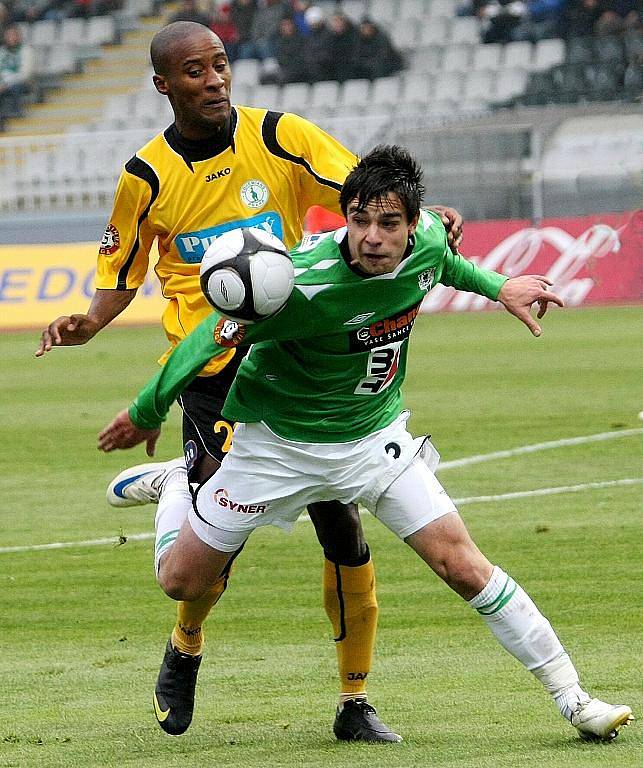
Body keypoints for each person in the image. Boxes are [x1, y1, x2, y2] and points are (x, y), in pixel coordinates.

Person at [97, 144, 634, 744]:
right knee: (181, 582)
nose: (372, 237)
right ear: (345, 216)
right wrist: (144, 413)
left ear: (412, 223)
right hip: (276, 448)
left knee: (463, 565)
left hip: (375, 441)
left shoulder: (428, 240)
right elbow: (204, 342)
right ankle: (177, 484)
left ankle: (574, 697)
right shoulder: (293, 284)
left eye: (389, 224)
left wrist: (498, 284)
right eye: (358, 220)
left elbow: (443, 266)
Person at [35, 22, 463, 743]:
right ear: (164, 85)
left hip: (292, 352)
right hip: (208, 371)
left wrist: (427, 217)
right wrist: (90, 322)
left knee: (343, 530)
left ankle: (354, 701)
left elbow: (367, 193)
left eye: (221, 65)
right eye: (195, 71)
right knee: (213, 555)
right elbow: (120, 272)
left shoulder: (280, 136)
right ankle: (186, 641)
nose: (214, 81)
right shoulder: (145, 176)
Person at [0, 24, 33, 122]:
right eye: (8, 36)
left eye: (13, 35)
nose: (11, 38)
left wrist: (7, 83)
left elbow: (25, 74)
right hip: (3, 82)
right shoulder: (2, 51)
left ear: (18, 36)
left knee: (16, 87)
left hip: (20, 82)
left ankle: (16, 110)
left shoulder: (26, 50)